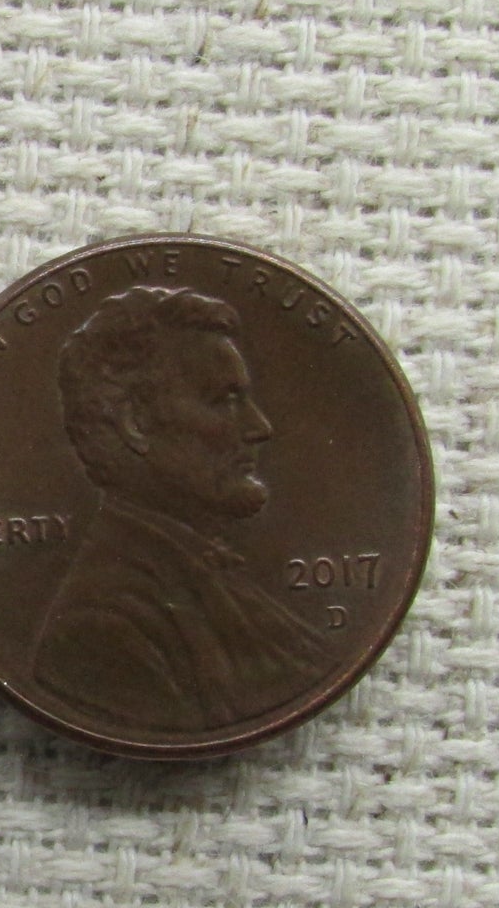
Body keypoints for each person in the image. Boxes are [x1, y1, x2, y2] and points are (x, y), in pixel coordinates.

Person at [33, 286, 327, 732]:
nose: (259, 427)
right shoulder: (102, 629)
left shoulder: (205, 575)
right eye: (224, 400)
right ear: (135, 423)